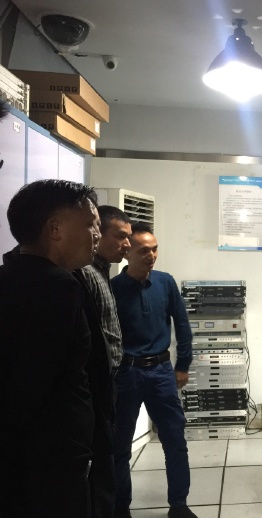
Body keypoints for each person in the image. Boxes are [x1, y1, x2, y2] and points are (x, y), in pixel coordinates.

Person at [0, 179, 101, 518]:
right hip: (50, 459)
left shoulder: (10, 276)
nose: (96, 235)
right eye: (89, 224)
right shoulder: (57, 288)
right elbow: (35, 380)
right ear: (55, 229)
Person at [111, 222, 196, 518]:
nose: (152, 256)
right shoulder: (113, 289)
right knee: (120, 446)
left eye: (155, 249)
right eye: (144, 251)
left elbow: (182, 325)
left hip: (161, 371)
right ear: (127, 253)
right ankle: (121, 506)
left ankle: (179, 505)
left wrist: (182, 365)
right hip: (127, 373)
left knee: (175, 440)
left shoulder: (165, 282)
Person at [74, 205, 133, 518]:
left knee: (109, 453)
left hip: (108, 380)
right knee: (104, 458)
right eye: (120, 236)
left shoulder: (100, 271)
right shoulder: (85, 274)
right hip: (97, 385)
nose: (127, 244)